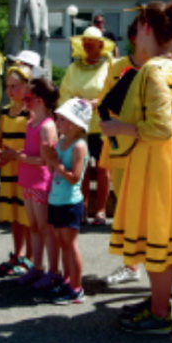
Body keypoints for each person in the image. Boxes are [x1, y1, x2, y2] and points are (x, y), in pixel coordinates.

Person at [100, 1, 172, 334]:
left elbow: (160, 128)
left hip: (155, 165)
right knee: (164, 238)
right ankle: (159, 302)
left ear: (145, 28)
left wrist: (119, 129)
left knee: (155, 236)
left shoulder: (154, 71)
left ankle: (159, 314)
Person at [60, 22, 115, 225]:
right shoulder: (74, 68)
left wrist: (97, 102)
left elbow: (113, 92)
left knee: (102, 169)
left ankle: (100, 210)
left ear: (101, 45)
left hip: (101, 126)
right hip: (78, 126)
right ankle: (81, 207)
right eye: (86, 42)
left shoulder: (110, 66)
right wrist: (74, 102)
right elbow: (64, 91)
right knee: (81, 168)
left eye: (93, 42)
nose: (89, 45)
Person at [41, 97, 92, 305]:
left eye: (61, 119)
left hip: (70, 201)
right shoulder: (62, 142)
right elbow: (54, 170)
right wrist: (49, 156)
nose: (57, 122)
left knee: (70, 245)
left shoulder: (79, 146)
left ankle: (77, 288)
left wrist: (54, 160)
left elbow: (73, 177)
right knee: (63, 244)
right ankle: (68, 280)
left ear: (74, 124)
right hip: (57, 198)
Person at [12, 77, 60, 289]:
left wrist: (17, 157)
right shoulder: (31, 123)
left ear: (40, 101)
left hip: (42, 182)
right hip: (29, 181)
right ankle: (38, 267)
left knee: (45, 227)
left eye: (28, 97)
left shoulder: (47, 126)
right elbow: (30, 152)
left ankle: (52, 271)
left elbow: (44, 160)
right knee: (34, 226)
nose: (25, 101)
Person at [0, 65, 33, 276]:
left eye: (15, 86)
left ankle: (30, 259)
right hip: (9, 170)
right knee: (15, 215)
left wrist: (14, 154)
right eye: (8, 86)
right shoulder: (6, 112)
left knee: (28, 215)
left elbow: (35, 146)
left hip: (27, 169)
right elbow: (0, 142)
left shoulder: (31, 112)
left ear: (27, 86)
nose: (11, 90)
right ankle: (18, 253)